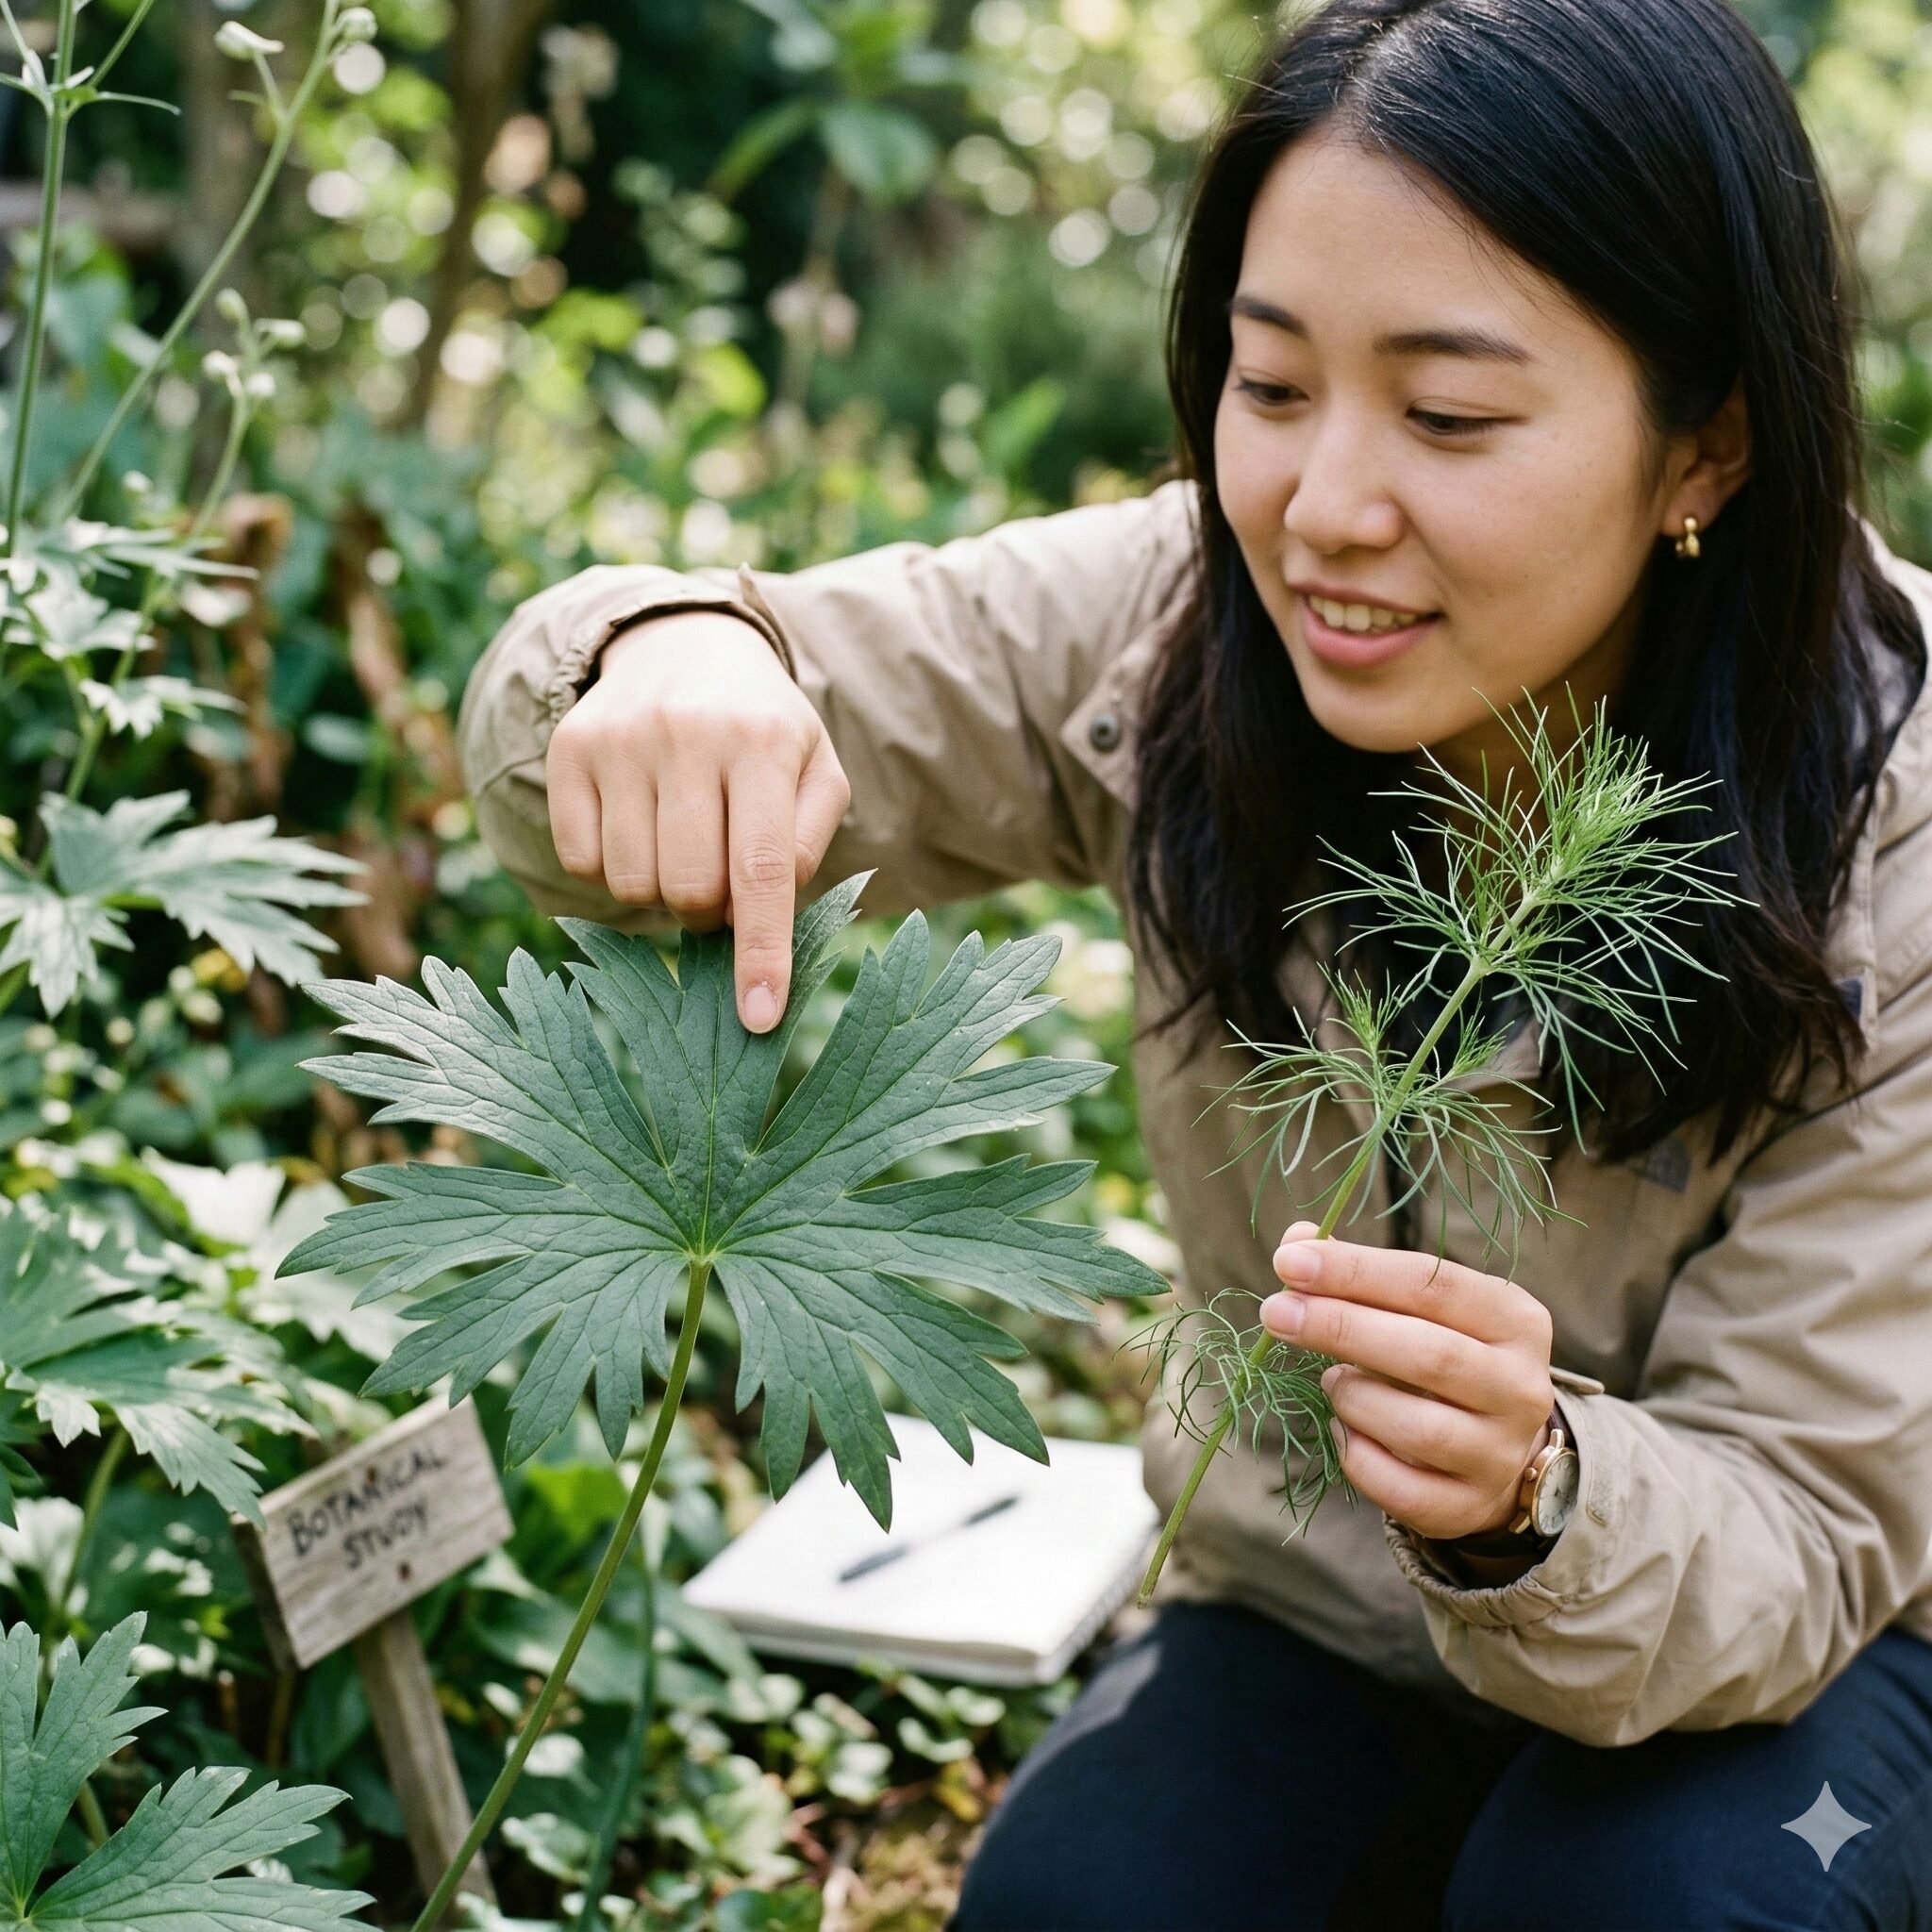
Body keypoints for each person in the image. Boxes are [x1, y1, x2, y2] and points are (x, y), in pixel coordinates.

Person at [458, 0, 1932, 1923]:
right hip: (1318, 1595)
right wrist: (671, 651)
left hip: (1807, 1637)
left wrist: (1535, 1488)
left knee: (1650, 1910)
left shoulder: (1894, 816)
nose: (1323, 511)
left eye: (1451, 415)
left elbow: (1810, 1520)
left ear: (1706, 449)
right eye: (1269, 385)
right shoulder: (1171, 631)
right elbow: (600, 717)